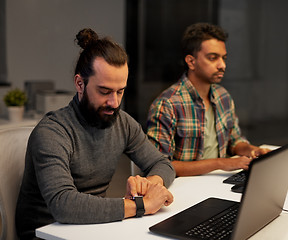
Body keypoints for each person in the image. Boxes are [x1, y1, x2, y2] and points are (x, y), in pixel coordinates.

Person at [15, 28, 175, 240]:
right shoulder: (52, 132)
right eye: (105, 91)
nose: (114, 102)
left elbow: (163, 164)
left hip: (91, 228)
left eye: (120, 91)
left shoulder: (122, 123)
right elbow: (63, 205)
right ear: (80, 84)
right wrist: (141, 205)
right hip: (47, 233)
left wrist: (150, 184)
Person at [147, 22, 270, 177]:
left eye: (224, 58)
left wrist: (252, 150)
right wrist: (221, 163)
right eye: (213, 58)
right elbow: (161, 166)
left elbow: (235, 140)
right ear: (191, 62)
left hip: (219, 180)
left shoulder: (223, 96)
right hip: (187, 188)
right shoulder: (167, 104)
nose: (222, 65)